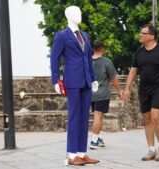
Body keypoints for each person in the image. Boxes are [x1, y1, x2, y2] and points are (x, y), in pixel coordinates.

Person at [50, 6, 99, 166]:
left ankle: (82, 153)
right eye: (76, 12)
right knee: (74, 117)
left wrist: (93, 78)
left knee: (84, 117)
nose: (80, 15)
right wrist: (56, 80)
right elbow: (54, 59)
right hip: (72, 81)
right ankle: (71, 155)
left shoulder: (85, 35)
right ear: (68, 16)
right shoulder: (62, 36)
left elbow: (89, 58)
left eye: (80, 12)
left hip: (85, 80)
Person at [123, 24, 159, 161]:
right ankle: (151, 149)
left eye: (143, 33)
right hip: (144, 89)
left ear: (151, 36)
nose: (140, 35)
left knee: (156, 116)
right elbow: (134, 70)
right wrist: (127, 88)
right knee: (147, 118)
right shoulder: (139, 52)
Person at [90, 41, 123, 149]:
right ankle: (94, 141)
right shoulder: (106, 62)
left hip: (90, 94)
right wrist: (119, 90)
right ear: (102, 49)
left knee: (99, 116)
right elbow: (113, 78)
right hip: (102, 93)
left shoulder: (87, 61)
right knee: (98, 116)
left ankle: (98, 138)